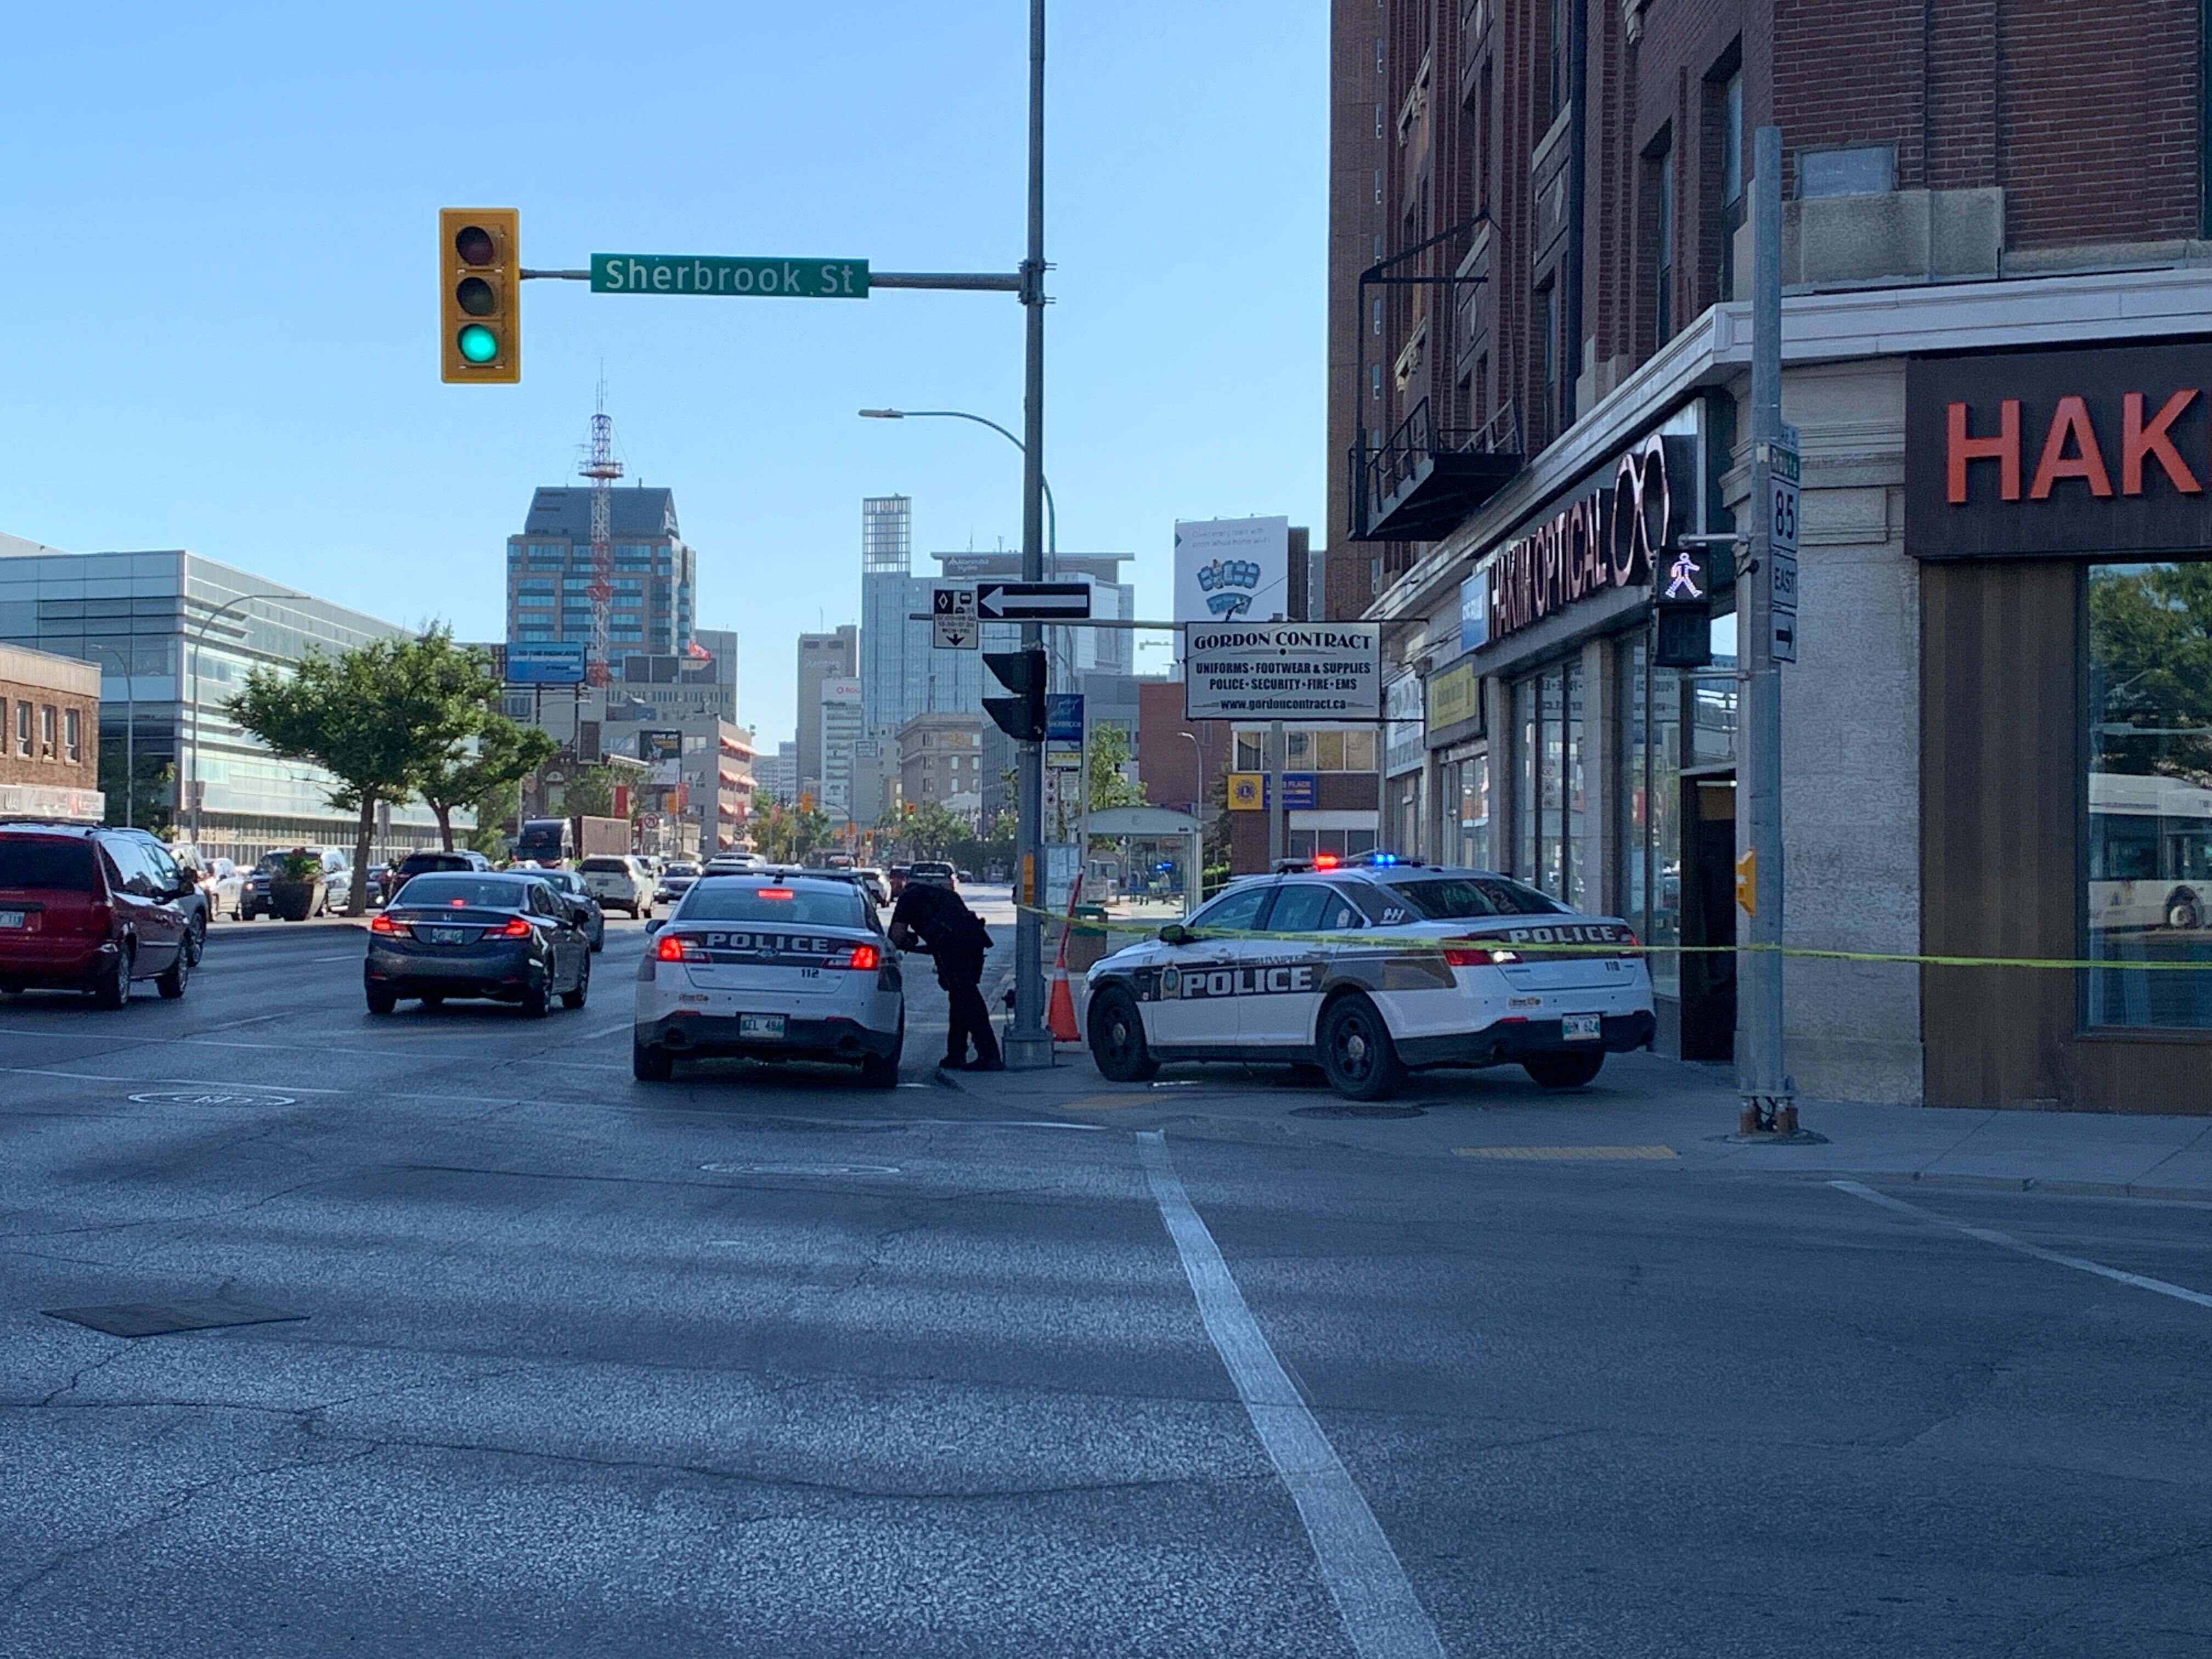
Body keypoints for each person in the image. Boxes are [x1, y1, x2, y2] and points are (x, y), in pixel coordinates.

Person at [888, 877, 1002, 1071]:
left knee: (967, 999)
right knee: (961, 997)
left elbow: (895, 937)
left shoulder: (907, 899)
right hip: (974, 942)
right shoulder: (947, 895)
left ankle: (988, 1055)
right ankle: (956, 1054)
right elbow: (944, 938)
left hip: (952, 946)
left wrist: (907, 944)